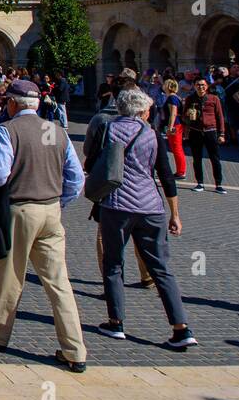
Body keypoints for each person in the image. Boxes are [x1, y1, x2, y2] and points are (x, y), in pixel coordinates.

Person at [0, 78, 88, 372]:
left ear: (13, 104)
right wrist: (59, 201)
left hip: (19, 209)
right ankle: (75, 349)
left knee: (8, 276)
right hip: (51, 210)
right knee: (58, 282)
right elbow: (76, 178)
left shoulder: (9, 130)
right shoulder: (56, 131)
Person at [82, 87, 197, 350]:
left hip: (116, 205)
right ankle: (181, 328)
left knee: (113, 264)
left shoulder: (108, 129)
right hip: (151, 207)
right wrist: (175, 214)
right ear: (142, 111)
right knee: (162, 269)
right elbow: (166, 176)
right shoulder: (151, 133)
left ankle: (116, 322)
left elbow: (92, 165)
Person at [183, 77, 225, 193]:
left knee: (215, 159)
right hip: (195, 131)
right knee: (197, 159)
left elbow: (220, 116)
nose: (200, 87)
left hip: (211, 131)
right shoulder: (190, 99)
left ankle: (218, 184)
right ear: (194, 86)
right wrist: (187, 115)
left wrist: (221, 133)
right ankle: (200, 183)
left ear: (207, 86)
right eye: (198, 85)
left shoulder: (214, 98)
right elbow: (184, 117)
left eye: (203, 85)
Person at [162, 78, 187, 178]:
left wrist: (170, 127)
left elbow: (173, 113)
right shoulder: (175, 97)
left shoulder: (172, 98)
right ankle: (180, 170)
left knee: (177, 148)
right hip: (177, 125)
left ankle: (181, 171)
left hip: (175, 125)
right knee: (177, 148)